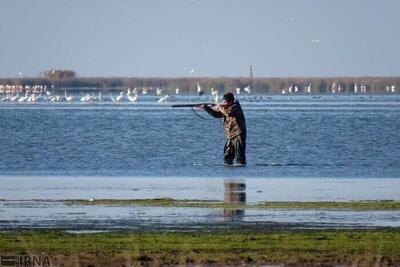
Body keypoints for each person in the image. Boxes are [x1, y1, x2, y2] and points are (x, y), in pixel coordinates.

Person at [197, 92, 247, 165]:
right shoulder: (225, 108)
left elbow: (228, 113)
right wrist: (206, 107)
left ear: (231, 101)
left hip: (238, 134)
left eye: (225, 102)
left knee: (239, 156)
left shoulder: (236, 107)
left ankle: (242, 170)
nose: (224, 103)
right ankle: (228, 169)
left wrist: (219, 106)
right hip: (230, 135)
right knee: (227, 156)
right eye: (224, 101)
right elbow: (216, 115)